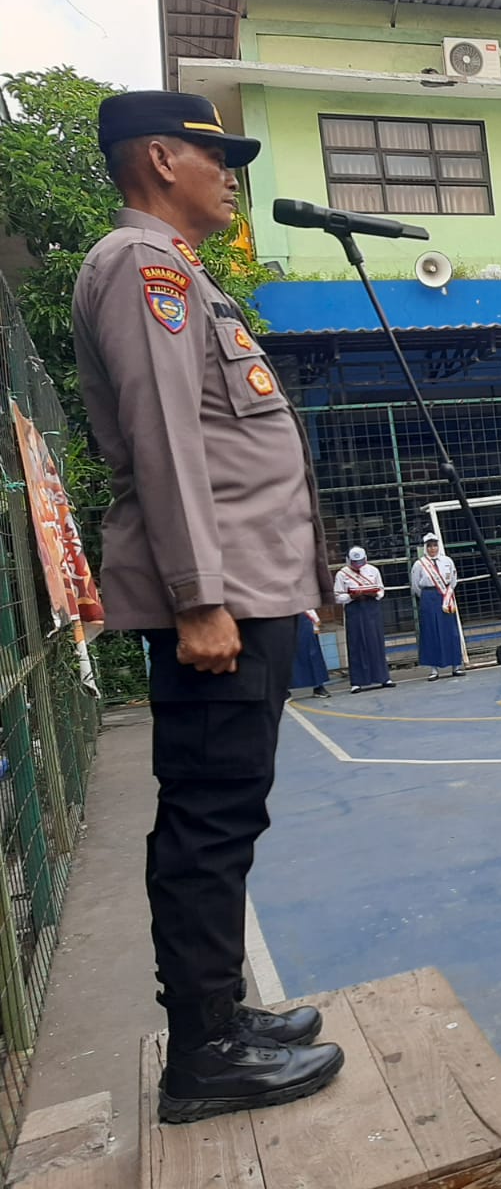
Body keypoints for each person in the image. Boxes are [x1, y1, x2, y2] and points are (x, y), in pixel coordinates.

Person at [73, 89, 343, 1120]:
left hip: (243, 586)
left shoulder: (181, 276)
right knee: (210, 819)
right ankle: (206, 1053)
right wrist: (198, 599)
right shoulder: (143, 271)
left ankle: (221, 1012)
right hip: (214, 594)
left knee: (229, 812)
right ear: (157, 159)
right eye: (212, 152)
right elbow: (166, 441)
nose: (229, 171)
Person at [335, 547, 393, 692]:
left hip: (371, 607)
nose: (358, 565)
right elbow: (337, 596)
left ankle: (383, 677)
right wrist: (351, 596)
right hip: (354, 608)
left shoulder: (373, 571)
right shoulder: (342, 574)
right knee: (356, 643)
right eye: (355, 562)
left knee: (376, 641)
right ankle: (357, 681)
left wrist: (374, 594)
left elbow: (381, 590)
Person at [409, 534, 464, 681]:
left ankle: (456, 665)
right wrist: (428, 596)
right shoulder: (419, 564)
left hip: (446, 596)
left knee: (450, 631)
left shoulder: (447, 561)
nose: (432, 548)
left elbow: (453, 580)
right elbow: (415, 586)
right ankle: (433, 669)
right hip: (428, 597)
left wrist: (447, 594)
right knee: (431, 632)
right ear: (425, 548)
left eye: (434, 545)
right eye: (429, 546)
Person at [289, 610, 331, 700]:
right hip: (281, 615)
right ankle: (282, 691)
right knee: (283, 653)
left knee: (312, 651)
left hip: (302, 613)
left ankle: (318, 686)